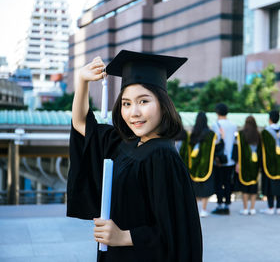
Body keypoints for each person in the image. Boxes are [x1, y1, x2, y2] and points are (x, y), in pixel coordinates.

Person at [67, 50, 203, 262]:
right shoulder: (125, 143)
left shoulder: (162, 157)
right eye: (126, 103)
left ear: (163, 104)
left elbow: (175, 234)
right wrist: (82, 81)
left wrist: (124, 236)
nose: (134, 113)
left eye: (143, 101)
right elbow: (82, 124)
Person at [189, 112, 217, 218]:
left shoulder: (193, 133)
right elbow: (216, 147)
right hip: (207, 165)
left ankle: (194, 210)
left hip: (194, 165)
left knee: (195, 189)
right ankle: (203, 210)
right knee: (206, 188)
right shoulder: (211, 134)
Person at [211, 103, 237, 215]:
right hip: (230, 159)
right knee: (227, 182)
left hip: (219, 159)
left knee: (218, 182)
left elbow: (215, 142)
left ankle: (220, 205)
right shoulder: (233, 125)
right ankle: (227, 204)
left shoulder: (215, 124)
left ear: (217, 112)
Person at [260, 110, 280, 215]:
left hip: (269, 164)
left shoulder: (265, 132)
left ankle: (271, 207)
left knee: (269, 185)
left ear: (270, 119)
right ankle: (279, 207)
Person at [232, 116, 261, 216]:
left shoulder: (240, 135)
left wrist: (237, 163)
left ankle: (245, 208)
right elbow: (261, 151)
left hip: (244, 165)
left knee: (245, 187)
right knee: (253, 186)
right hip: (255, 164)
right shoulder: (258, 135)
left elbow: (236, 150)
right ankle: (252, 208)